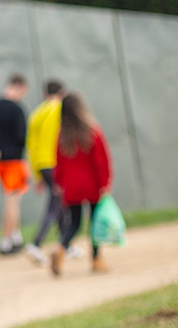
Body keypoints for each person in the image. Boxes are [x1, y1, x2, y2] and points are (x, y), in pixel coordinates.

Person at [51, 91, 113, 276]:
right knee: (95, 223)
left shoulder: (63, 136)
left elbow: (58, 164)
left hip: (71, 187)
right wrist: (105, 182)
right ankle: (96, 259)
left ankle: (61, 248)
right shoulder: (92, 131)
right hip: (92, 185)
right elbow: (101, 161)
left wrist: (59, 184)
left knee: (74, 223)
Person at [0, 74, 30, 254]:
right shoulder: (17, 109)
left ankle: (15, 235)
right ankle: (6, 240)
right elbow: (22, 137)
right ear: (19, 87)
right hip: (13, 160)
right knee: (12, 200)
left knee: (11, 197)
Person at [24, 79, 65, 266]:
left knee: (59, 201)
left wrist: (36, 175)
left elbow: (31, 145)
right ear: (62, 92)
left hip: (41, 164)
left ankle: (66, 242)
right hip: (55, 162)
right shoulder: (58, 108)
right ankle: (36, 242)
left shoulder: (36, 113)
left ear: (44, 93)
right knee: (55, 203)